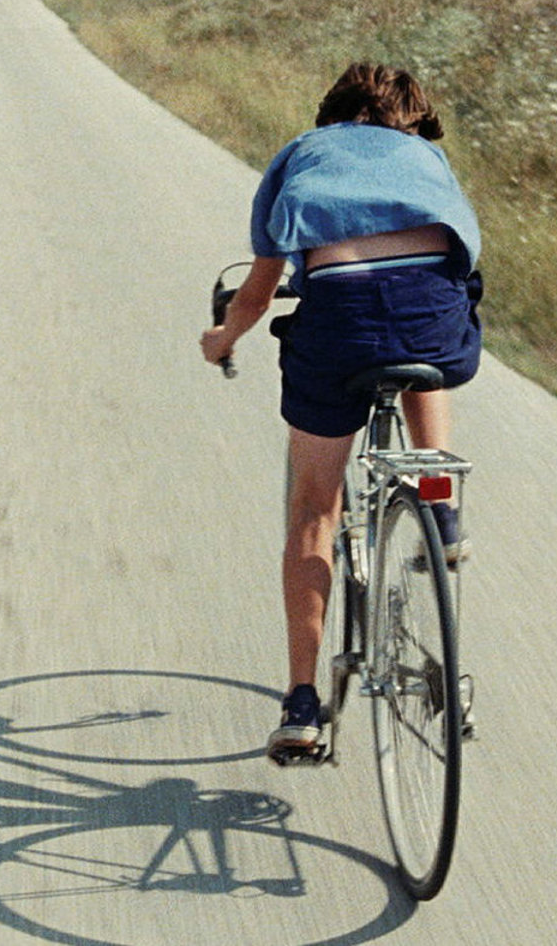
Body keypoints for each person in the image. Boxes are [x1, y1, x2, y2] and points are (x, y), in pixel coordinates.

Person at [199, 62, 483, 763]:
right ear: (412, 121)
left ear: (333, 113)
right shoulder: (428, 158)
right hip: (434, 322)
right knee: (423, 335)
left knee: (314, 510)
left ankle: (302, 705)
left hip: (339, 331)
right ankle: (438, 499)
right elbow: (460, 260)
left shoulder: (304, 153)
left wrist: (222, 339)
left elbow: (259, 292)